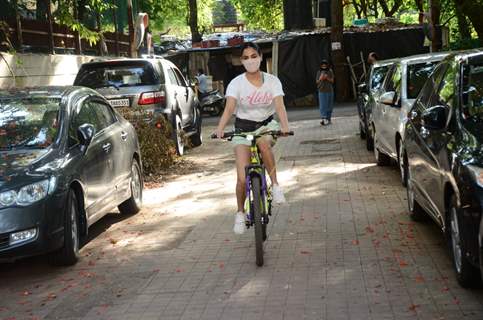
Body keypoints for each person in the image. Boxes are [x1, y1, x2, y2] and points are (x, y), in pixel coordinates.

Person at [214, 42, 290, 235]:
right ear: (241, 61)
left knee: (264, 144)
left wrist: (285, 127)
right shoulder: (236, 83)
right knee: (241, 177)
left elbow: (279, 106)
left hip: (266, 125)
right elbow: (230, 108)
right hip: (242, 128)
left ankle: (276, 186)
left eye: (254, 56)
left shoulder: (273, 81)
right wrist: (220, 129)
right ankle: (240, 213)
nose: (250, 60)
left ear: (260, 57)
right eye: (246, 57)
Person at [316, 60, 334, 125]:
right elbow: (317, 82)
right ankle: (323, 119)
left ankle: (328, 119)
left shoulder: (330, 71)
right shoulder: (319, 72)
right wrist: (321, 78)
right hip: (321, 90)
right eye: (322, 65)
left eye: (325, 65)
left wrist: (327, 78)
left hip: (329, 90)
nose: (324, 66)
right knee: (323, 105)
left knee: (329, 105)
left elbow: (332, 81)